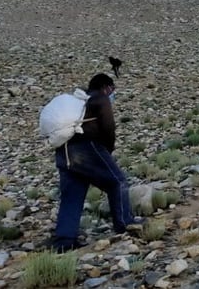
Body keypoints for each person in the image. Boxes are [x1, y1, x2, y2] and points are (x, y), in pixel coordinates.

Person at [52, 73, 141, 252]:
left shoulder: (80, 102)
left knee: (72, 195)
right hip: (86, 148)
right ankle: (125, 223)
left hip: (63, 150)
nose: (113, 94)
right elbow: (108, 127)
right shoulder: (101, 99)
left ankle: (64, 240)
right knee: (117, 181)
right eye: (112, 90)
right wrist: (107, 150)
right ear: (107, 87)